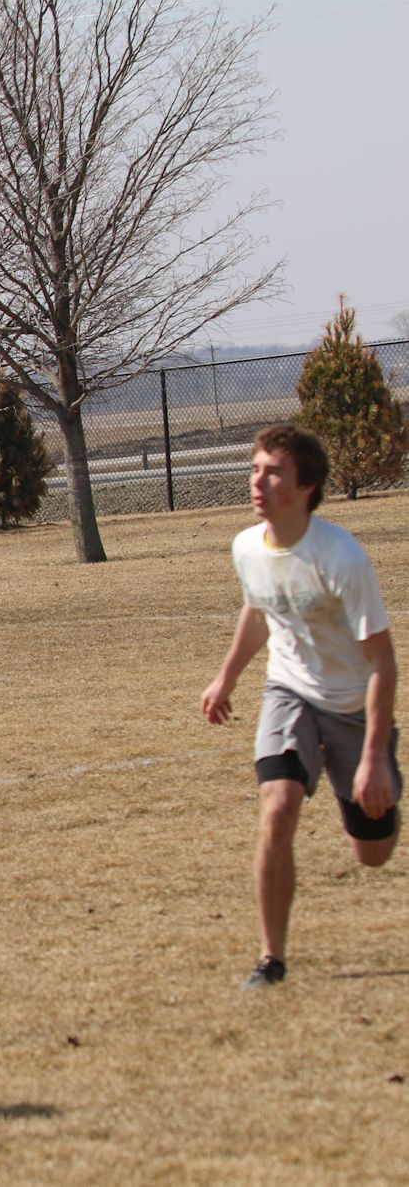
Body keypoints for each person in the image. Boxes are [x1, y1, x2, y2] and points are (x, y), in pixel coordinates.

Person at [201, 424, 400, 991]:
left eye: (273, 472)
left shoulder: (341, 557)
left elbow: (383, 664)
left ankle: (364, 778)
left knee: (372, 854)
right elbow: (258, 611)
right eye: (255, 469)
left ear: (306, 485)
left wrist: (373, 759)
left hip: (354, 705)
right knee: (278, 806)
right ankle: (271, 960)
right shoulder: (247, 546)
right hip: (288, 694)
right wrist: (226, 678)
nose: (258, 481)